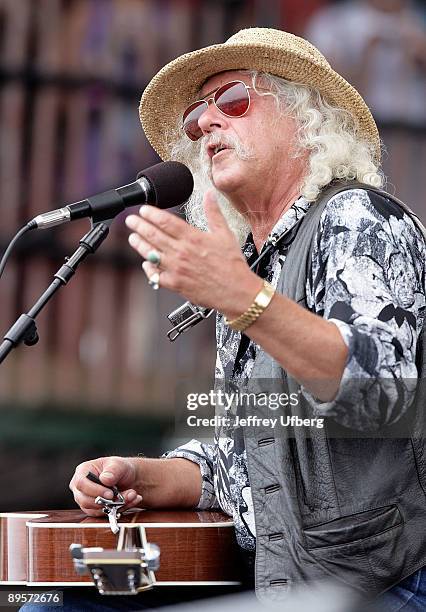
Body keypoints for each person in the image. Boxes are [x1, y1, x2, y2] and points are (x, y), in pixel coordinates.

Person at [25, 27, 426, 612]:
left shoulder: (356, 219)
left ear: (306, 118)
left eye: (232, 100)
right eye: (195, 119)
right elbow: (254, 456)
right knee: (47, 599)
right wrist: (144, 475)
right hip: (280, 576)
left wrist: (242, 298)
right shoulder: (248, 267)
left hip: (381, 585)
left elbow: (381, 393)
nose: (207, 123)